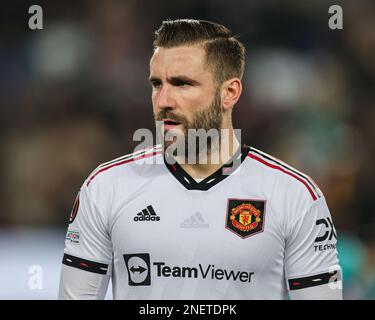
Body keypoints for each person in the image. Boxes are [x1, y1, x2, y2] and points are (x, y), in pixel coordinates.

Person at [58, 19, 342, 299]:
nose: (163, 100)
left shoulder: (294, 195)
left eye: (182, 84)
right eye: (157, 84)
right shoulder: (106, 188)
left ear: (229, 93)